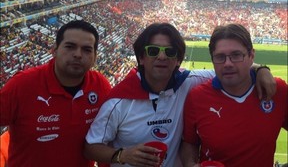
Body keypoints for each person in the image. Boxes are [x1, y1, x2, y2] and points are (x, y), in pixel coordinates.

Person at [84, 22, 275, 167]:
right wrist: (122, 155)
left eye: (170, 51)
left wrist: (261, 70)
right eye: (153, 51)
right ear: (141, 58)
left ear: (177, 60)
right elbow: (90, 147)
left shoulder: (189, 81)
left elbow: (229, 69)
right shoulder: (119, 101)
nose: (161, 56)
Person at [0, 20, 111, 167]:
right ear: (54, 50)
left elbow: (106, 139)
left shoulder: (101, 86)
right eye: (70, 47)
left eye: (86, 50)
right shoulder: (22, 85)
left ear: (95, 57)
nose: (78, 54)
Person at [180, 24, 287, 167]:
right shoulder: (197, 97)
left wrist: (262, 68)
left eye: (236, 55)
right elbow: (189, 143)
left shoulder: (276, 90)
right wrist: (190, 164)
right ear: (212, 60)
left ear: (251, 56)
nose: (227, 64)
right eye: (220, 57)